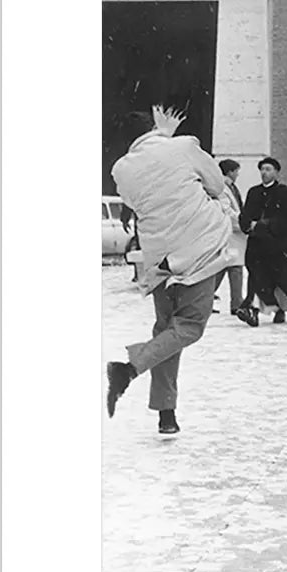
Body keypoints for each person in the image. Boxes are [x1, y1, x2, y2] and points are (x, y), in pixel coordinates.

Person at [105, 107, 234, 437]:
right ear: (154, 127)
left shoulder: (121, 168)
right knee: (189, 326)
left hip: (159, 259)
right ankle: (129, 369)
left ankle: (167, 414)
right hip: (199, 251)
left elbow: (134, 202)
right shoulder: (182, 146)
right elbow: (217, 183)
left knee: (166, 329)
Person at [240, 157, 287, 324]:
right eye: (262, 169)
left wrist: (263, 225)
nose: (264, 172)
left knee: (280, 278)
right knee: (256, 275)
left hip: (278, 245)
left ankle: (280, 308)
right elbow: (245, 215)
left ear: (276, 172)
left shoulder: (284, 192)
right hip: (257, 244)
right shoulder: (253, 192)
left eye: (268, 169)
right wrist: (247, 225)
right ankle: (251, 308)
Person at [213, 159, 251, 320]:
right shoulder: (222, 188)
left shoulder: (230, 187)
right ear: (229, 172)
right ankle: (236, 303)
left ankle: (234, 302)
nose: (237, 174)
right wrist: (243, 222)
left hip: (233, 234)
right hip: (229, 233)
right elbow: (226, 210)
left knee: (227, 267)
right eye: (236, 171)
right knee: (232, 268)